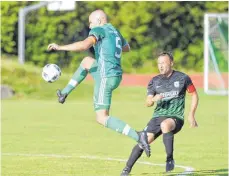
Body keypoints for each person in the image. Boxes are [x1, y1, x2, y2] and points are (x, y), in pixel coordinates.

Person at [47, 9, 150, 157]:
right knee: (87, 62)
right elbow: (127, 48)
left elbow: (83, 46)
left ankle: (139, 136)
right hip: (115, 74)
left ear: (99, 20)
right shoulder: (114, 31)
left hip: (105, 76)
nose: (90, 27)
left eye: (90, 23)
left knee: (101, 117)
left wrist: (60, 47)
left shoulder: (99, 29)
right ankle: (64, 93)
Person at [121, 52, 199, 176]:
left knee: (165, 125)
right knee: (143, 141)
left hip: (175, 117)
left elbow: (194, 94)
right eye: (159, 63)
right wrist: (152, 99)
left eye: (163, 63)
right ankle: (126, 170)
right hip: (157, 117)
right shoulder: (154, 81)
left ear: (171, 63)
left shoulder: (183, 78)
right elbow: (147, 102)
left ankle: (169, 159)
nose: (160, 66)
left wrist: (191, 115)